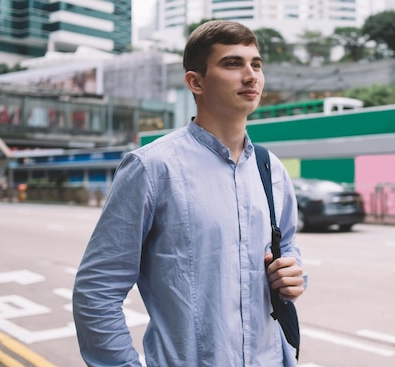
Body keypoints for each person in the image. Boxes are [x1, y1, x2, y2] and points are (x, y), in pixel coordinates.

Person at [72, 20, 306, 367]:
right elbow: (96, 292)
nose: (250, 75)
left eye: (255, 64)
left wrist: (293, 272)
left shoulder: (270, 169)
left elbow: (286, 246)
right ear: (195, 82)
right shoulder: (151, 168)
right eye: (232, 63)